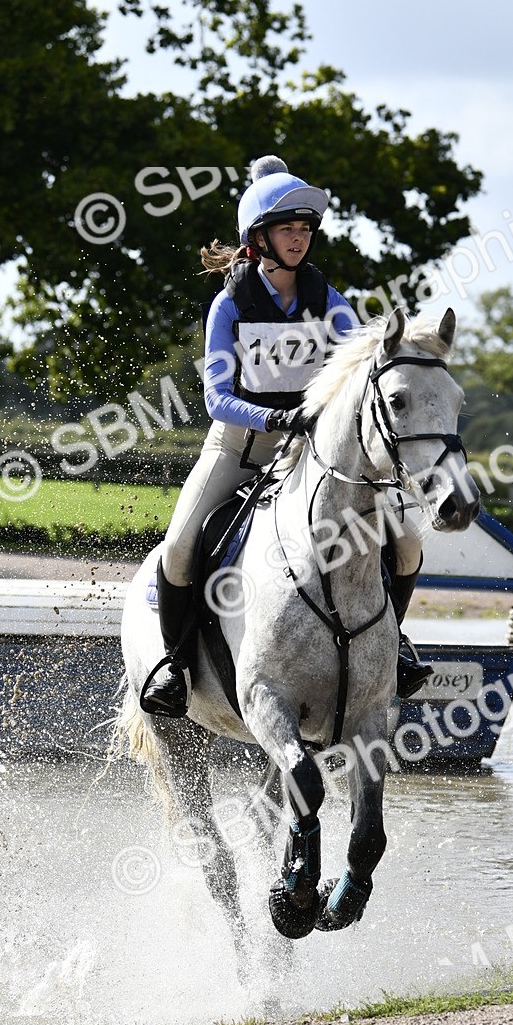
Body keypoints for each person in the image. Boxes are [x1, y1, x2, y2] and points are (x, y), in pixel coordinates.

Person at [141, 155, 432, 719]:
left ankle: (393, 645)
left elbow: (366, 361)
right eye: (286, 229)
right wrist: (274, 420)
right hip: (239, 448)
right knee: (178, 547)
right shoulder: (230, 305)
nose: (299, 239)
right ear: (259, 239)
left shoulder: (328, 301)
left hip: (310, 457)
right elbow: (216, 398)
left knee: (407, 543)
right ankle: (175, 665)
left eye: (304, 229)